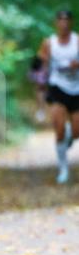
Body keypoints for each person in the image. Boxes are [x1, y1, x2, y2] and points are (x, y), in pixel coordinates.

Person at [38, 10, 79, 184]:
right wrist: (43, 70)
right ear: (56, 23)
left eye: (67, 20)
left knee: (76, 132)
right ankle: (63, 169)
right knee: (59, 130)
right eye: (60, 20)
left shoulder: (77, 41)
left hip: (76, 89)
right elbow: (41, 64)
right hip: (57, 88)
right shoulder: (49, 43)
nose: (64, 23)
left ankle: (70, 134)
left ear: (71, 22)